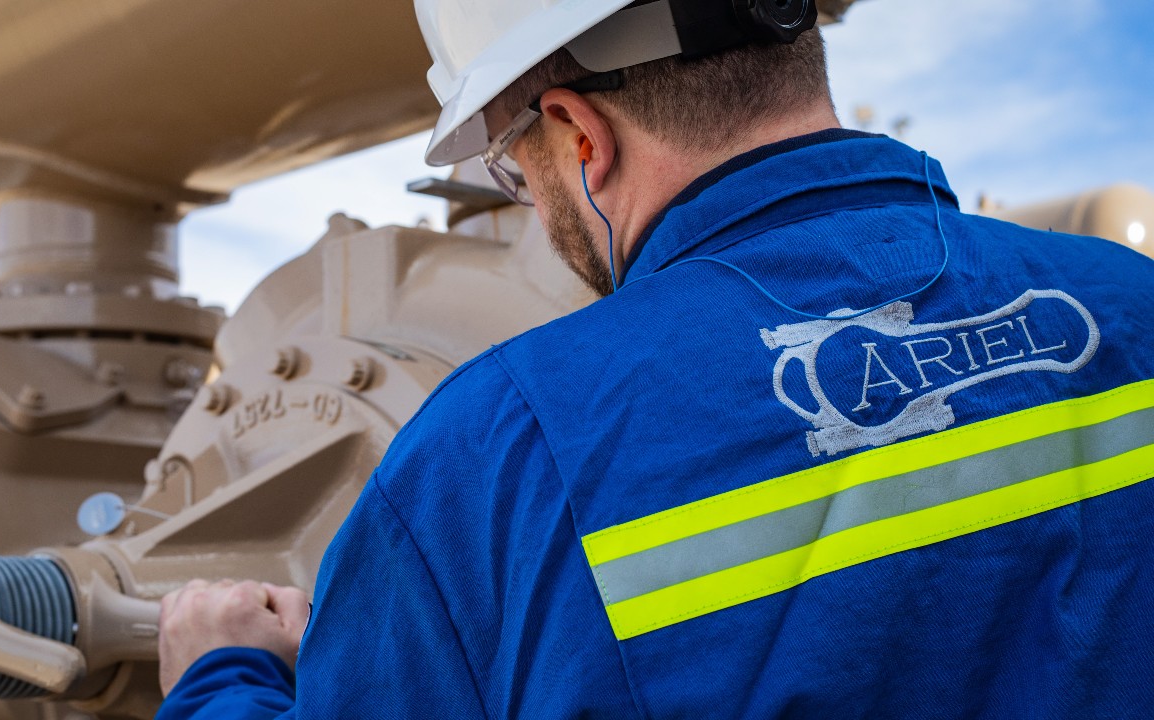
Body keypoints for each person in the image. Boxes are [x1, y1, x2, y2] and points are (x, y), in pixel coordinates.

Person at [156, 0, 1154, 717]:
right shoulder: (1128, 301)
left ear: (577, 134)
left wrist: (221, 678)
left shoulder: (494, 456)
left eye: (514, 171)